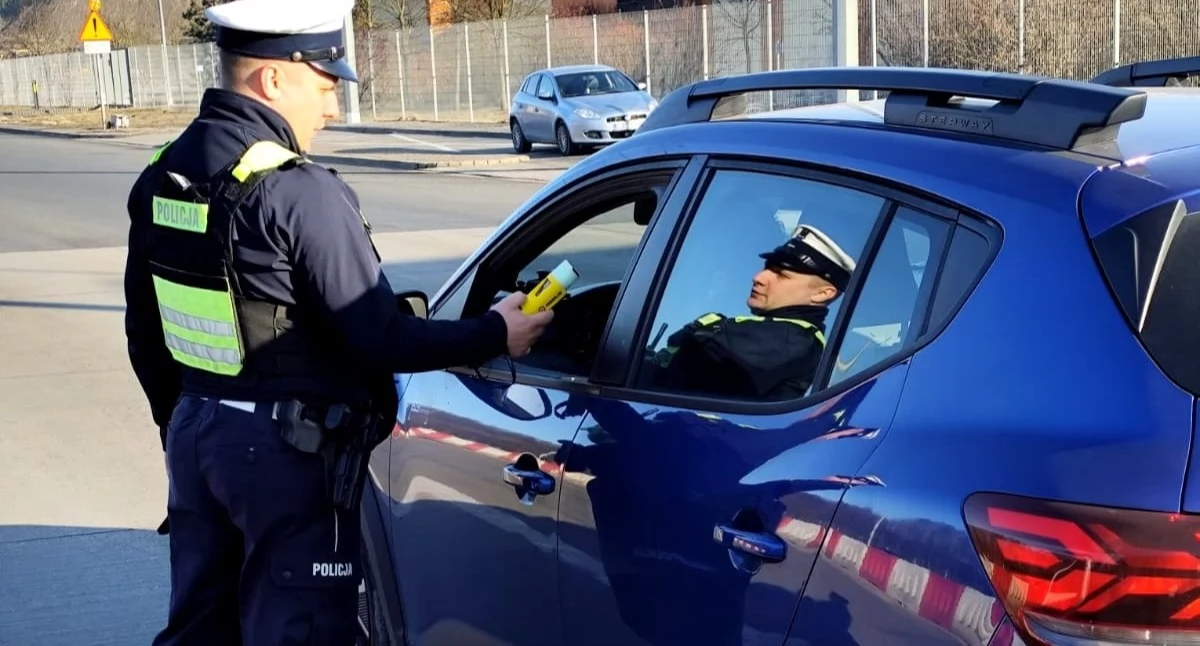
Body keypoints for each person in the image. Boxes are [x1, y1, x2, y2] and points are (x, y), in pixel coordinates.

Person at [120, 0, 553, 644]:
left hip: (197, 438)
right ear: (273, 79)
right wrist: (496, 332)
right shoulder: (298, 190)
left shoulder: (164, 175)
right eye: (325, 85)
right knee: (302, 629)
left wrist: (183, 427)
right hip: (285, 455)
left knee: (201, 628)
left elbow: (144, 333)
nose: (331, 108)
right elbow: (379, 335)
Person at [644, 224, 855, 401]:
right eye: (766, 268)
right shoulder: (790, 336)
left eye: (780, 274)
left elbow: (670, 377)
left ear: (822, 294)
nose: (758, 277)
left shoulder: (785, 340)